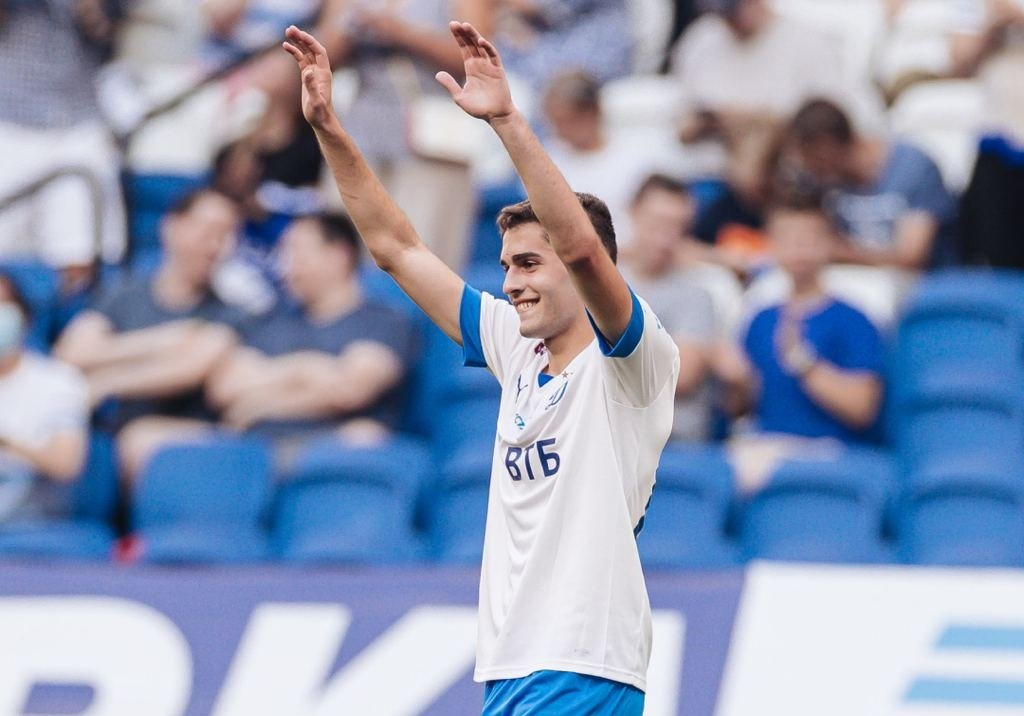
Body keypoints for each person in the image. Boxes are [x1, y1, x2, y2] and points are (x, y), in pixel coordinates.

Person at [282, 20, 678, 714]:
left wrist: (505, 122)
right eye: (505, 266)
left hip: (584, 662)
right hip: (511, 664)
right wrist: (328, 128)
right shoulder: (517, 348)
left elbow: (582, 249)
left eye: (528, 264)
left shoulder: (633, 363)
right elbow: (397, 249)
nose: (511, 283)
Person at [54, 188, 244, 482]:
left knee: (142, 441)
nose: (215, 245)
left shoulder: (229, 312)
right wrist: (166, 339)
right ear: (171, 227)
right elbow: (71, 352)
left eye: (227, 235)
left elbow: (193, 365)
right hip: (112, 435)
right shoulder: (123, 293)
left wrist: (105, 383)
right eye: (208, 230)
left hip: (186, 440)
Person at [715, 193, 885, 493]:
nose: (799, 251)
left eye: (809, 240)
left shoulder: (854, 319)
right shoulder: (760, 319)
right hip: (763, 446)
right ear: (772, 245)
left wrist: (805, 364)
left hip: (832, 452)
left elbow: (862, 409)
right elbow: (741, 408)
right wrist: (736, 382)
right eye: (788, 240)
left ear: (828, 243)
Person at [207, 212, 417, 452]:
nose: (285, 268)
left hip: (329, 450)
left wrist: (255, 405)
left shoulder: (384, 322)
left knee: (364, 434)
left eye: (297, 253)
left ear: (338, 256)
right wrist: (306, 370)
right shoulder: (275, 321)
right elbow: (225, 387)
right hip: (255, 450)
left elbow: (349, 390)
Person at [0, 0, 127, 292]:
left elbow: (108, 26)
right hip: (11, 116)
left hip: (79, 117)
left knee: (82, 251)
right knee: (6, 248)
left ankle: (76, 314)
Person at [670, 0, 846, 177]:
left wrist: (746, 121)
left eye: (734, 10)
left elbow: (826, 125)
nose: (728, 21)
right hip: (711, 174)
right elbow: (682, 128)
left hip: (786, 174)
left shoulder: (807, 42)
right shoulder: (699, 41)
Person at [618, 175, 720, 443]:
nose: (666, 238)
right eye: (658, 223)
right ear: (633, 213)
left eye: (678, 227)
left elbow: (681, 377)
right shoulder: (600, 284)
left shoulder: (698, 294)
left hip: (674, 443)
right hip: (610, 438)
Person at [0, 273, 88, 523]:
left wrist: (6, 443)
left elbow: (67, 464)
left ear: (25, 318)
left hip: (30, 523)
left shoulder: (59, 382)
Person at [543, 71, 663, 249]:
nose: (560, 131)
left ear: (593, 112)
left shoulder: (637, 161)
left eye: (568, 121)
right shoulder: (544, 160)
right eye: (555, 122)